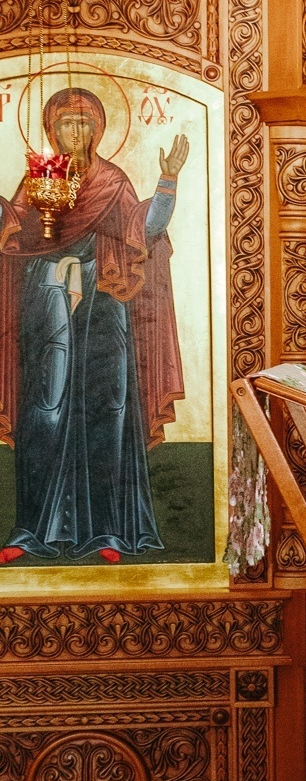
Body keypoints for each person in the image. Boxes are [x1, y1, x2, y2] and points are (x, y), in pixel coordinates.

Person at [0, 87, 187, 565]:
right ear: (52, 130)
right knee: (45, 407)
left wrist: (167, 181)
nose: (75, 132)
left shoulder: (112, 180)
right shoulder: (39, 179)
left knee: (108, 406)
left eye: (83, 122)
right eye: (65, 123)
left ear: (98, 129)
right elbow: (15, 233)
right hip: (46, 299)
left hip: (104, 297)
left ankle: (108, 530)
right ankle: (31, 530)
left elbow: (143, 231)